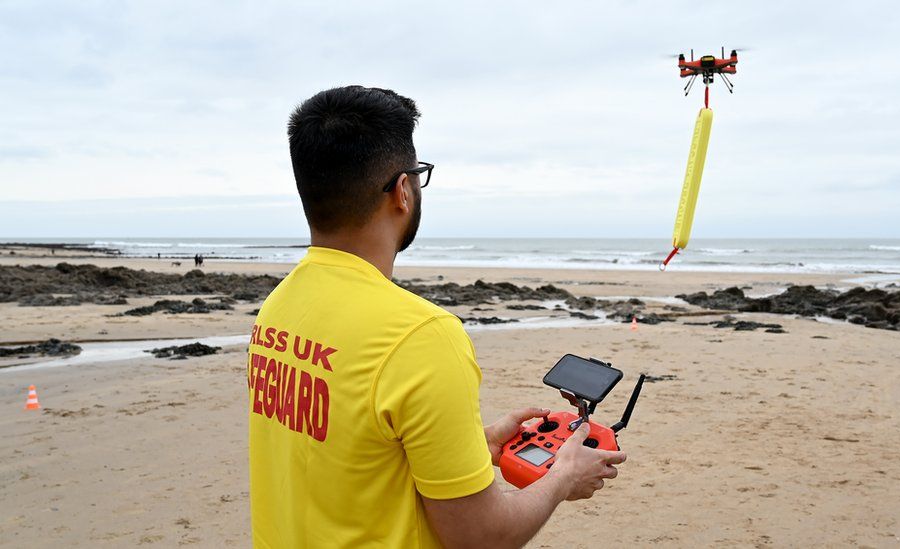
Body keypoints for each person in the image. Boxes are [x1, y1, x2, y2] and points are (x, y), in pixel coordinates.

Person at [247, 86, 625, 549]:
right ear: (402, 191)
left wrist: (473, 448)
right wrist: (563, 476)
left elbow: (345, 453)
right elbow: (483, 537)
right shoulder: (420, 336)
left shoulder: (279, 306)